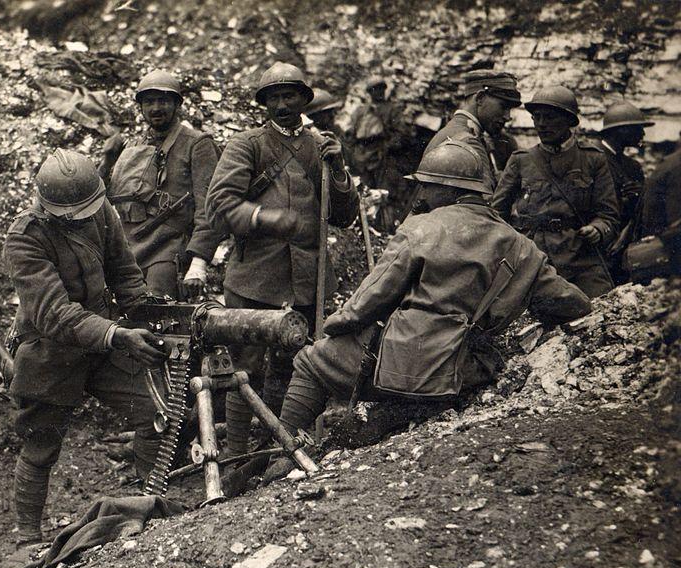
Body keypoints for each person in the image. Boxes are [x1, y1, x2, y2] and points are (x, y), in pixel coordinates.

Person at [276, 139, 592, 440]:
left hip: (406, 365)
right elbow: (573, 302)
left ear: (448, 188)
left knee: (310, 362)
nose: (422, 192)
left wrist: (334, 326)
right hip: (465, 370)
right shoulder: (523, 248)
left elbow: (366, 304)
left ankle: (283, 450)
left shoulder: (420, 228)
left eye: (427, 184)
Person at [3, 149, 164, 546]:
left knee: (155, 413)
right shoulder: (25, 239)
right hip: (50, 349)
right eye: (68, 214)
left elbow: (124, 273)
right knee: (41, 443)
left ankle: (148, 502)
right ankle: (27, 536)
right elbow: (53, 314)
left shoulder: (101, 211)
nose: (79, 219)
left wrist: (149, 313)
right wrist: (118, 334)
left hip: (105, 342)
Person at [206, 61, 360, 457]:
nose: (282, 104)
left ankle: (290, 447)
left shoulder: (320, 146)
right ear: (263, 104)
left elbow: (344, 216)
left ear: (304, 99)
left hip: (308, 279)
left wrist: (339, 170)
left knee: (303, 363)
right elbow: (220, 205)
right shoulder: (248, 145)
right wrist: (264, 217)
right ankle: (238, 455)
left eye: (289, 95)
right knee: (246, 369)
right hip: (255, 277)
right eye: (273, 97)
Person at [99, 70, 222, 300]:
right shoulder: (133, 145)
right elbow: (104, 201)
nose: (156, 108)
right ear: (141, 107)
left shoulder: (197, 144)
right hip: (127, 252)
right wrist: (106, 162)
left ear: (177, 105)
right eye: (149, 101)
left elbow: (210, 207)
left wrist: (199, 262)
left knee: (159, 321)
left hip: (169, 251)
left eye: (163, 100)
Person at [492, 85, 620, 297]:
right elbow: (497, 215)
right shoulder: (521, 160)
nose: (541, 124)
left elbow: (608, 215)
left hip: (580, 260)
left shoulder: (592, 159)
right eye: (537, 117)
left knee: (601, 311)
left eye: (550, 117)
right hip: (531, 260)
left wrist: (597, 229)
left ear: (569, 121)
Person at [424, 70, 522, 193]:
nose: (508, 117)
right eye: (503, 106)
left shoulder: (454, 131)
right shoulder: (469, 142)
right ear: (480, 98)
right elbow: (485, 203)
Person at [596, 102, 655, 281]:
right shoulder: (592, 158)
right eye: (638, 129)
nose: (643, 134)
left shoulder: (633, 166)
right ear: (622, 130)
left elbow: (641, 209)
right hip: (598, 247)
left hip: (624, 248)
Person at [345, 77, 412, 232]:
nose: (379, 92)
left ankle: (386, 229)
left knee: (386, 194)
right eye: (375, 89)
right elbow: (350, 134)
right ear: (369, 92)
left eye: (381, 88)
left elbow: (401, 135)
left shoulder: (393, 109)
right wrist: (356, 153)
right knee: (364, 192)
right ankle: (365, 228)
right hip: (362, 158)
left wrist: (387, 146)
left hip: (384, 158)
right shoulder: (361, 111)